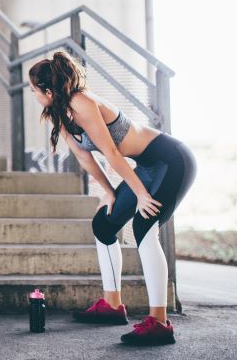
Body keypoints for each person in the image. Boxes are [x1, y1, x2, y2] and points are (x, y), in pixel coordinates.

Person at [28, 51, 197, 346]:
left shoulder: (81, 103)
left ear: (48, 91)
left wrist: (142, 195)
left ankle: (159, 321)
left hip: (171, 159)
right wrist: (108, 192)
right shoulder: (60, 113)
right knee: (104, 224)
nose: (32, 95)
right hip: (146, 167)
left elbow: (112, 154)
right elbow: (85, 158)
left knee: (145, 226)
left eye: (33, 90)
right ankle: (112, 305)